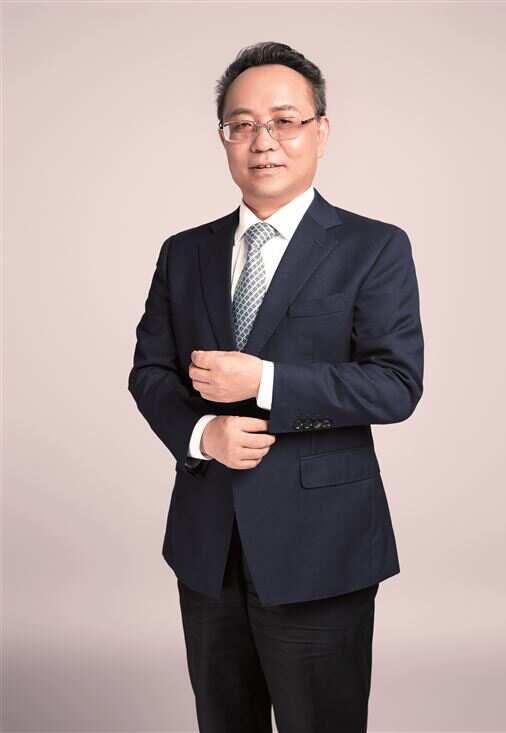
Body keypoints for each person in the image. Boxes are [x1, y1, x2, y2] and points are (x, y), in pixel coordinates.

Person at [128, 40, 424, 733]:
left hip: (322, 548)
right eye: (242, 124)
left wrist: (265, 380)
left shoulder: (374, 247)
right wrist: (203, 433)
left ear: (321, 130)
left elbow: (395, 384)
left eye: (285, 121)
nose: (263, 141)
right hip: (208, 546)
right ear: (224, 138)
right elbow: (150, 371)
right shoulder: (184, 252)